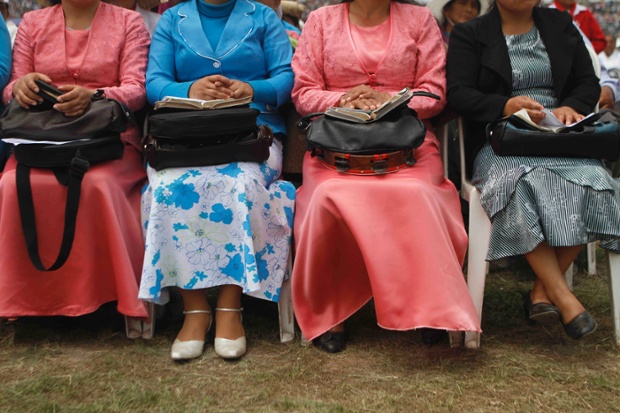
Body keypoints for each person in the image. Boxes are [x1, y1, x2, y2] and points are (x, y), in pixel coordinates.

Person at [291, 0, 481, 353]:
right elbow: (303, 93)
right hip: (337, 148)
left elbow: (434, 92)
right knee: (326, 196)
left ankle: (430, 306)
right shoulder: (319, 21)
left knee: (417, 193)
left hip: (409, 147)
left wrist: (386, 99)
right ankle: (331, 310)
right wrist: (346, 99)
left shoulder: (420, 19)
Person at [447, 0, 620, 340]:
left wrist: (571, 107)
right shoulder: (470, 34)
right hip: (501, 140)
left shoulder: (558, 24)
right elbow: (458, 94)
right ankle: (565, 298)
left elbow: (588, 81)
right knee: (521, 183)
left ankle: (542, 292)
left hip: (559, 137)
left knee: (597, 181)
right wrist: (505, 105)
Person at [140, 0, 295, 361]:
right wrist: (189, 90)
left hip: (254, 138)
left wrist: (251, 89)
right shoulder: (170, 20)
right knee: (167, 188)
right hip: (183, 142)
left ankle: (229, 306)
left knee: (240, 184)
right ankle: (195, 310)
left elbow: (286, 78)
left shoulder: (263, 17)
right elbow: (154, 84)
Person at [0, 0, 151, 322]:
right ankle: (24, 300)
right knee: (11, 184)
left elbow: (137, 89)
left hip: (109, 141)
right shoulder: (32, 22)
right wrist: (21, 87)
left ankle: (112, 293)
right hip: (42, 139)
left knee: (98, 183)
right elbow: (12, 85)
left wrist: (96, 96)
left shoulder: (129, 22)